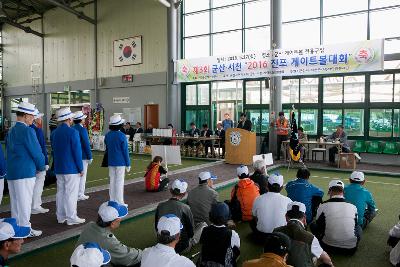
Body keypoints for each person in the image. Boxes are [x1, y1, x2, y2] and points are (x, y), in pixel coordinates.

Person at [6, 102, 45, 237]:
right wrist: (41, 166)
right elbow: (36, 152)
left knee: (16, 203)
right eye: (32, 116)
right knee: (25, 203)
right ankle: (26, 230)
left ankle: (15, 229)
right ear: (26, 115)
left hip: (12, 172)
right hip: (25, 172)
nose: (33, 119)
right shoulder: (28, 130)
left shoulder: (10, 130)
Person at [77, 201, 142, 266]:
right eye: (119, 220)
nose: (120, 221)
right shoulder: (108, 241)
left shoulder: (89, 225)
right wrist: (143, 253)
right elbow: (129, 257)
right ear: (113, 223)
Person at [52, 107, 85, 226]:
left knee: (60, 192)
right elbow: (77, 152)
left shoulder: (54, 133)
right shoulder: (73, 132)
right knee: (71, 193)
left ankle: (60, 216)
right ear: (69, 119)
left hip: (59, 167)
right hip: (71, 168)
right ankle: (71, 217)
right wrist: (81, 168)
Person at [274, 202, 334, 267]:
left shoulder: (276, 231)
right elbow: (326, 259)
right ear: (304, 218)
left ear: (286, 216)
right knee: (316, 257)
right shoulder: (310, 237)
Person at [310, 180, 360, 255]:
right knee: (358, 228)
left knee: (313, 225)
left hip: (327, 248)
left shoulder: (323, 205)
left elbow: (319, 225)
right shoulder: (353, 206)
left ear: (329, 191)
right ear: (343, 192)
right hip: (350, 250)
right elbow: (355, 224)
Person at [155, 179, 194, 254]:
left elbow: (156, 227)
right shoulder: (185, 208)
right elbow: (191, 233)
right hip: (181, 247)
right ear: (184, 193)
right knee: (202, 225)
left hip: (162, 244)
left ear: (170, 190)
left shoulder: (160, 206)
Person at [199, 202, 240, 267]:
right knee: (235, 250)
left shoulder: (204, 229)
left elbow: (202, 243)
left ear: (210, 216)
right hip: (223, 264)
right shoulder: (232, 233)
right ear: (228, 216)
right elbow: (237, 248)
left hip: (205, 264)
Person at [104, 114, 131, 205]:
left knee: (112, 181)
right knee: (119, 182)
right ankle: (120, 202)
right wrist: (128, 163)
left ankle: (112, 200)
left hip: (111, 161)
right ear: (120, 124)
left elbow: (107, 146)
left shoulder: (107, 135)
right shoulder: (122, 135)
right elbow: (125, 151)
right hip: (120, 162)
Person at [187, 172, 218, 242]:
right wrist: (213, 189)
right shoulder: (213, 193)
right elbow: (216, 210)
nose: (212, 181)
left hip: (194, 225)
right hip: (208, 225)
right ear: (207, 181)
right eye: (211, 179)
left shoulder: (191, 192)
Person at [30, 109, 50, 214]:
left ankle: (32, 205)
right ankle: (36, 205)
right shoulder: (37, 130)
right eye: (40, 117)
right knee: (38, 184)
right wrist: (45, 163)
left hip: (29, 163)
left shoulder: (27, 129)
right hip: (38, 163)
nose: (41, 119)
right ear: (35, 118)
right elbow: (42, 148)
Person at [73, 111, 93, 201]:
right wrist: (90, 156)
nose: (84, 119)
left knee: (76, 175)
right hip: (83, 156)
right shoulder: (82, 129)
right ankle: (80, 193)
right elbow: (86, 143)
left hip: (74, 155)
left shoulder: (72, 128)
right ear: (81, 120)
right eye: (83, 118)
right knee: (82, 175)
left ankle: (75, 193)